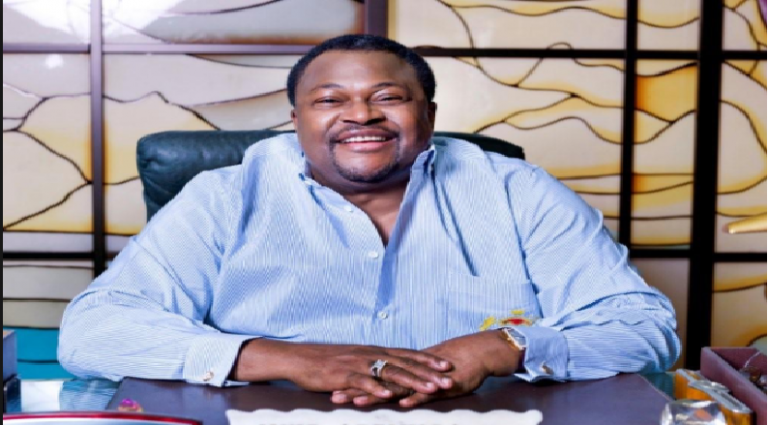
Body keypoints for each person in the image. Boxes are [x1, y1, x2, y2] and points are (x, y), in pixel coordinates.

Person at [59, 35, 680, 408]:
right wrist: (282, 358)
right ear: (297, 121)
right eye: (330, 100)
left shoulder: (517, 189)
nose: (361, 116)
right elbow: (93, 332)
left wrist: (504, 347)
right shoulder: (222, 195)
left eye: (389, 97)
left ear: (428, 115)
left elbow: (643, 327)